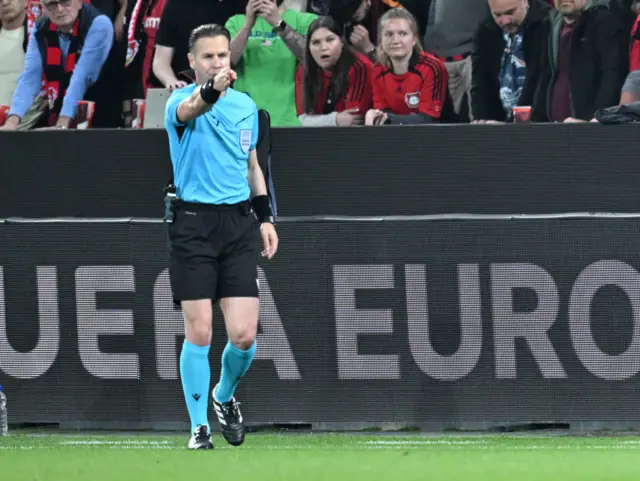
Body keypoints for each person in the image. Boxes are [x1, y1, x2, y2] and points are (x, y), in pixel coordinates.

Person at [164, 23, 279, 450]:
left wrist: (266, 218)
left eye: (222, 56)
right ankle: (198, 428)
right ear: (192, 62)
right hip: (192, 224)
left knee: (245, 336)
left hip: (237, 225)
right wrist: (210, 89)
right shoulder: (179, 101)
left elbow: (251, 165)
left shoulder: (246, 106)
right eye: (208, 56)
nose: (217, 62)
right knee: (200, 332)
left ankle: (223, 396)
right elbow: (193, 109)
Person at [365, 8, 449, 125]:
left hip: (436, 137)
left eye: (403, 34)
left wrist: (388, 119)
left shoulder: (432, 68)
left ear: (414, 39)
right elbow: (383, 113)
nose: (395, 41)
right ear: (381, 40)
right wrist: (377, 117)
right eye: (388, 34)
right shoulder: (378, 71)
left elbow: (429, 119)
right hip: (395, 136)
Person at [295, 15, 373, 126]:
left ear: (341, 42)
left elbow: (353, 120)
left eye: (330, 40)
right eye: (316, 42)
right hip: (318, 139)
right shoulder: (303, 71)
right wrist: (335, 119)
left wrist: (317, 121)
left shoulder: (360, 67)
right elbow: (303, 119)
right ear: (308, 47)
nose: (323, 47)